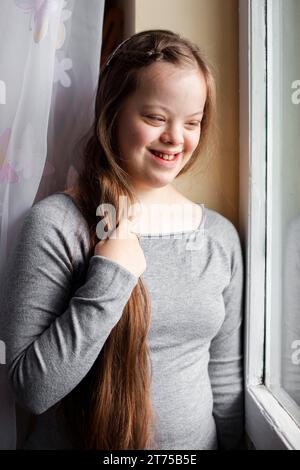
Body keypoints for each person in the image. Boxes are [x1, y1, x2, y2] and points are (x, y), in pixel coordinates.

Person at [1, 29, 244, 450]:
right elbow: (31, 390)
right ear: (112, 114)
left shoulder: (219, 237)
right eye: (155, 118)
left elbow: (224, 382)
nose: (175, 138)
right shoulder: (56, 225)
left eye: (192, 122)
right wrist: (111, 276)